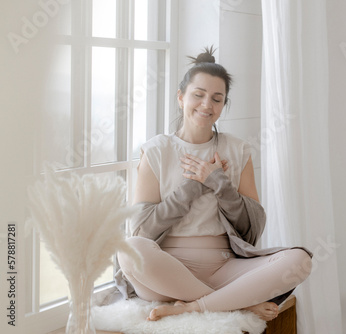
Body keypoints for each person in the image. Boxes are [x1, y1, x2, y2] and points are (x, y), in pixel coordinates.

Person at [116, 47, 312, 322]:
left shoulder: (237, 149)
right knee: (131, 248)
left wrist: (218, 182)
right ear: (181, 97)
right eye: (198, 95)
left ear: (223, 105)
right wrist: (194, 186)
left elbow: (251, 227)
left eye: (217, 99)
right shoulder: (157, 150)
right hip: (165, 270)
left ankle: (192, 306)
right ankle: (236, 305)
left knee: (299, 260)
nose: (207, 105)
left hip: (224, 266)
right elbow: (142, 229)